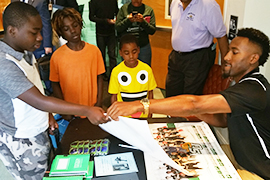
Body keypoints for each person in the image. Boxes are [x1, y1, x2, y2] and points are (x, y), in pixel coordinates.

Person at [107, 27, 270, 179]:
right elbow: (223, 121)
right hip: (239, 158)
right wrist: (190, 111)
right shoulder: (244, 86)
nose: (226, 56)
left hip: (258, 171)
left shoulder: (254, 90)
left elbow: (194, 103)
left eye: (234, 52)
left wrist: (141, 105)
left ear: (253, 58)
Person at [0, 2, 109, 179]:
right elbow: (38, 100)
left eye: (40, 31)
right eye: (34, 33)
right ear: (13, 31)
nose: (40, 38)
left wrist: (48, 115)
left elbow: (37, 88)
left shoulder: (25, 52)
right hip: (22, 138)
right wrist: (86, 109)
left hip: (40, 128)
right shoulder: (4, 63)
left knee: (51, 170)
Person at [50, 7, 105, 120]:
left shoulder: (94, 51)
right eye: (66, 28)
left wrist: (99, 103)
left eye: (75, 25)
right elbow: (55, 84)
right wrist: (63, 110)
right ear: (61, 32)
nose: (73, 30)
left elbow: (100, 78)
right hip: (71, 112)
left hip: (92, 109)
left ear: (80, 25)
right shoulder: (57, 56)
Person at [165, 0, 229, 97]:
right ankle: (172, 113)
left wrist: (226, 63)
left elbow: (221, 36)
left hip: (197, 59)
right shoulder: (174, 3)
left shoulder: (209, 5)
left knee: (190, 97)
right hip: (176, 57)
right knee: (171, 94)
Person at [108, 34, 157, 118]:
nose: (131, 56)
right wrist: (116, 113)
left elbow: (150, 92)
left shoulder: (146, 69)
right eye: (126, 53)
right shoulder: (116, 71)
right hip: (124, 116)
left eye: (134, 52)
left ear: (138, 50)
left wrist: (150, 110)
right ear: (121, 53)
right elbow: (114, 96)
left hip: (143, 114)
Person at [115, 0, 156, 66]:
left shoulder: (148, 10)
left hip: (143, 46)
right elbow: (117, 27)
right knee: (127, 71)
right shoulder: (124, 9)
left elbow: (152, 31)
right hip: (127, 47)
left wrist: (143, 22)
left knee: (144, 71)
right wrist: (128, 21)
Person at [89, 0, 119, 81]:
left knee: (112, 54)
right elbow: (91, 17)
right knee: (101, 55)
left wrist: (116, 19)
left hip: (111, 31)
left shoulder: (113, 1)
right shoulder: (93, 2)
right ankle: (102, 75)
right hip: (100, 32)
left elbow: (117, 11)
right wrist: (106, 21)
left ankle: (113, 74)